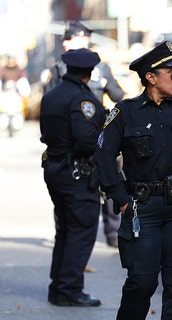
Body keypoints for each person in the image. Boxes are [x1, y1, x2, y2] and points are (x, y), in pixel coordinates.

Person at [94, 41, 172, 320]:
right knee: (142, 282)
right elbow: (102, 158)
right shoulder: (125, 113)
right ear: (151, 77)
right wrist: (122, 200)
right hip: (143, 209)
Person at [43, 20, 125, 248]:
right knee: (72, 200)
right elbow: (49, 105)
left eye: (84, 37)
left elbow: (119, 95)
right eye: (77, 38)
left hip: (96, 136)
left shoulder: (101, 68)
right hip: (71, 143)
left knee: (109, 182)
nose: (84, 41)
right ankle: (65, 232)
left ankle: (112, 232)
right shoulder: (59, 69)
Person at [40, 48, 106, 307]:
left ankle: (58, 287)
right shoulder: (82, 99)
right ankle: (69, 290)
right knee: (81, 229)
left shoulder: (52, 94)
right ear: (89, 73)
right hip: (75, 172)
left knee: (66, 229)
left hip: (55, 168)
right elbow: (85, 138)